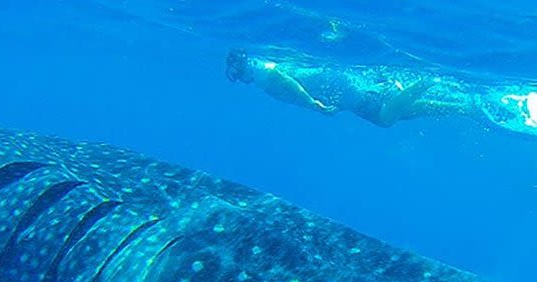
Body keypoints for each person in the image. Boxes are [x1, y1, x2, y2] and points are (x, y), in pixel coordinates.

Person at [226, 49, 537, 137]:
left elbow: (285, 82)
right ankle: (489, 104)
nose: (240, 80)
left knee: (386, 117)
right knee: (413, 111)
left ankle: (431, 79)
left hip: (355, 96)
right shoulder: (265, 68)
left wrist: (314, 103)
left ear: (241, 68)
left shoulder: (262, 72)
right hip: (354, 95)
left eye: (237, 74)